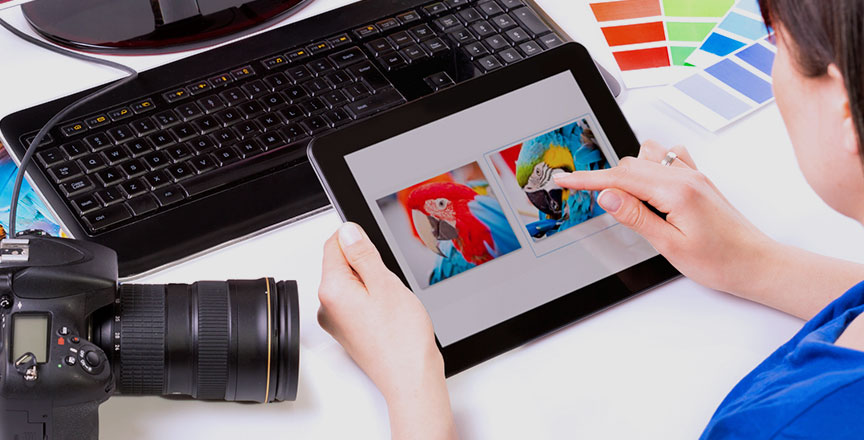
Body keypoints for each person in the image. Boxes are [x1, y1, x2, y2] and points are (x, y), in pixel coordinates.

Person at [316, 0, 864, 438]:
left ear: (844, 110)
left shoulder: (791, 423)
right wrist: (760, 265)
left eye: (779, 47)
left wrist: (413, 391)